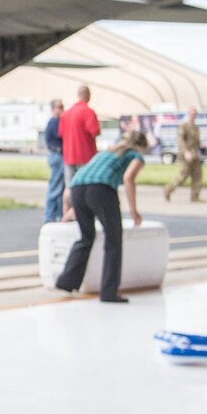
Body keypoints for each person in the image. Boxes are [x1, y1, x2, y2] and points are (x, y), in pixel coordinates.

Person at [56, 129, 148, 304]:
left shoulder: (107, 152)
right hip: (101, 190)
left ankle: (66, 281)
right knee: (113, 240)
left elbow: (85, 180)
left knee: (86, 237)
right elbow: (129, 178)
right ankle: (109, 292)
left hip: (77, 188)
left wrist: (74, 208)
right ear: (141, 146)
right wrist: (134, 211)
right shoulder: (136, 155)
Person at [58, 85, 99, 183]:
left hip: (68, 156)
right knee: (85, 186)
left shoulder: (66, 114)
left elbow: (61, 134)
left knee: (69, 187)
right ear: (88, 95)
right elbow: (95, 132)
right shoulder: (89, 112)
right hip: (85, 157)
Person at [165, 109, 204, 203]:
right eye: (191, 114)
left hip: (195, 154)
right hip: (185, 155)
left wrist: (201, 145)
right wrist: (186, 152)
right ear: (188, 114)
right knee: (183, 176)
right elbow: (180, 140)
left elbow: (196, 141)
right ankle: (169, 189)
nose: (193, 115)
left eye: (194, 114)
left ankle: (195, 197)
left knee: (197, 176)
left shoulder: (196, 127)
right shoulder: (184, 126)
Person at [42, 98, 66, 221]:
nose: (62, 110)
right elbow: (61, 135)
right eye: (60, 107)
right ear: (53, 109)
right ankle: (50, 216)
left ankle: (58, 214)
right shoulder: (54, 122)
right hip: (57, 156)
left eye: (63, 107)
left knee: (60, 187)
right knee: (55, 187)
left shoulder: (58, 122)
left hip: (59, 156)